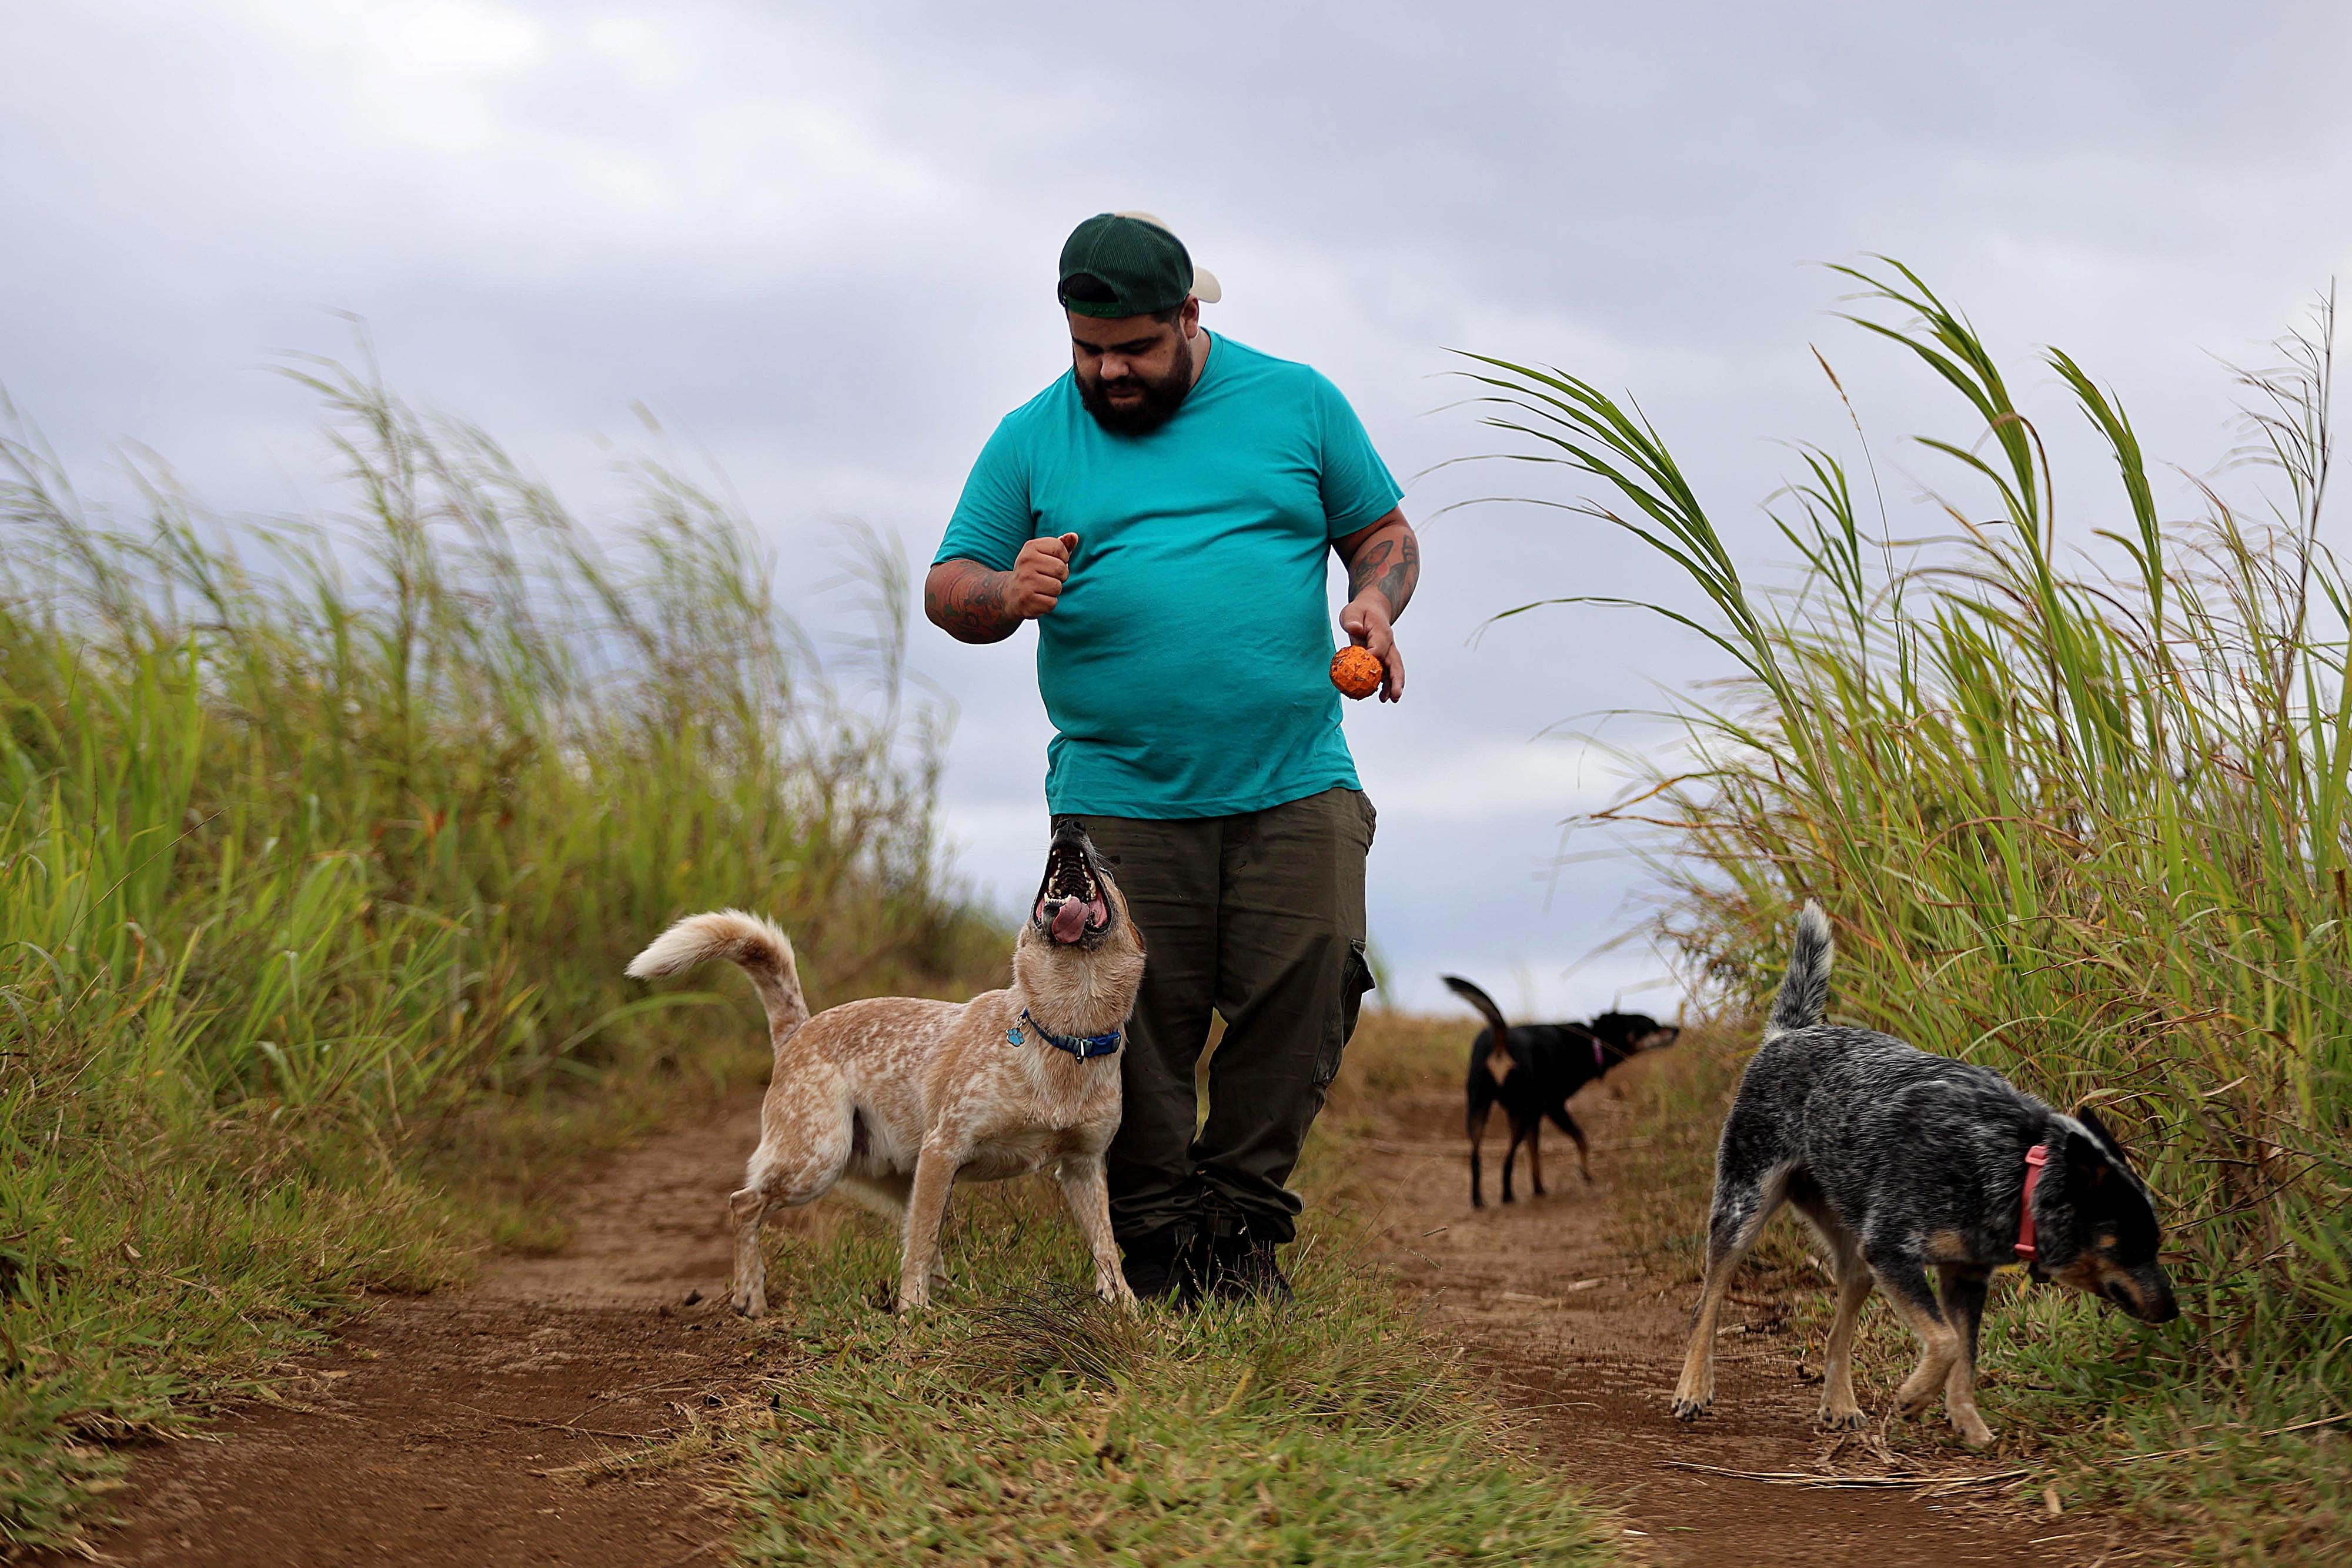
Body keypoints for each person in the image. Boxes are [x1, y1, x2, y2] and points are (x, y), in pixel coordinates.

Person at [924, 211, 1418, 1303]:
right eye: (1087, 347)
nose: (1109, 370)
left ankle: (1239, 1228)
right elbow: (946, 585)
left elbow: (1382, 532)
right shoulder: (1033, 437)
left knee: (1312, 982)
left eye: (1135, 348)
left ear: (1191, 316)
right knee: (1125, 1022)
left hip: (1295, 775)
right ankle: (1152, 1244)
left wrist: (1373, 604)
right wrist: (1006, 593)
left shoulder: (1298, 403)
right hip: (1118, 792)